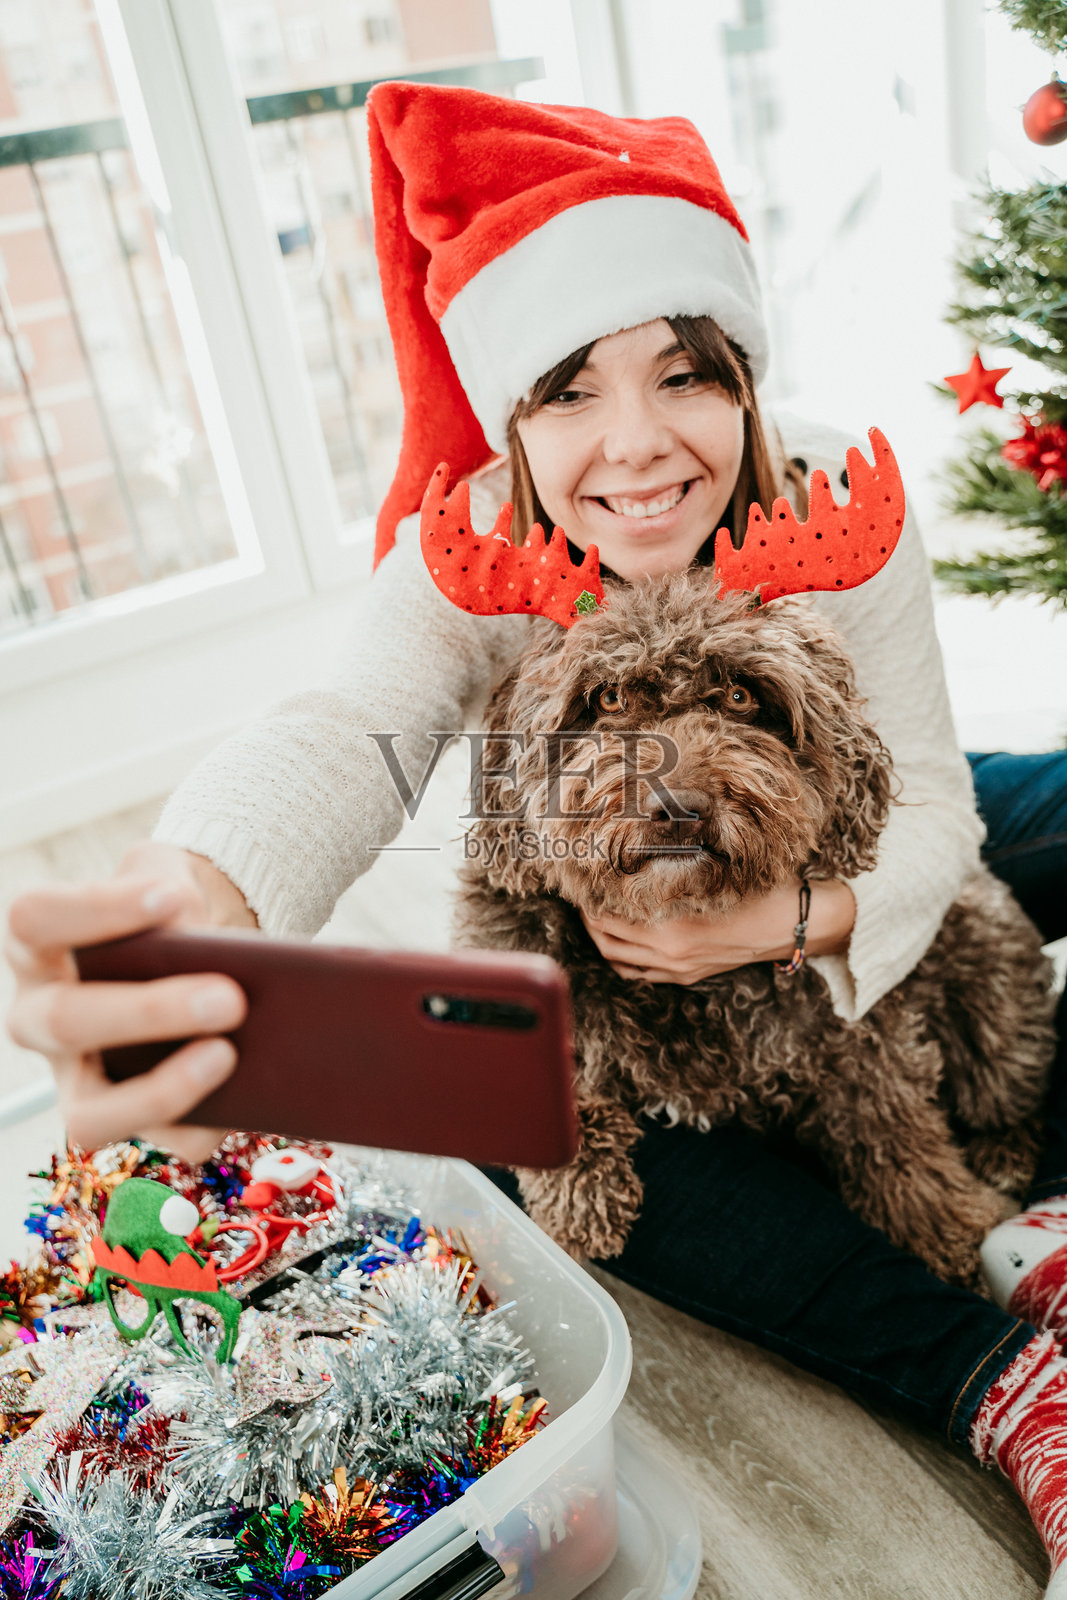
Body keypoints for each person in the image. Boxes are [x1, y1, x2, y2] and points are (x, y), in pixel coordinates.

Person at [6, 82, 1067, 1592]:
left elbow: (933, 804)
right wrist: (191, 889)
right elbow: (338, 733)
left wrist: (777, 927)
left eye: (684, 375)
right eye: (570, 389)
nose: (637, 449)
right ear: (509, 410)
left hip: (848, 835)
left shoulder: (841, 499)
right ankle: (1005, 1380)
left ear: (748, 383)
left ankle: (1047, 1195)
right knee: (522, 1119)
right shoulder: (466, 552)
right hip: (612, 915)